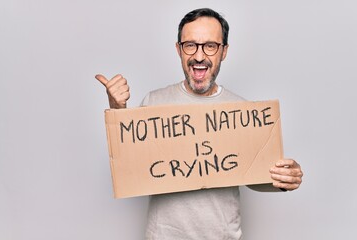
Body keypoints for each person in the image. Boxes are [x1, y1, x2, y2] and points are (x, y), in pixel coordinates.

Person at [96, 8, 303, 240]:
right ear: (179, 49)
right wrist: (117, 108)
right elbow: (129, 166)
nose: (199, 55)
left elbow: (252, 174)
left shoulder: (241, 110)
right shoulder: (154, 102)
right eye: (190, 45)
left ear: (223, 51)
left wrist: (282, 179)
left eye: (210, 46)